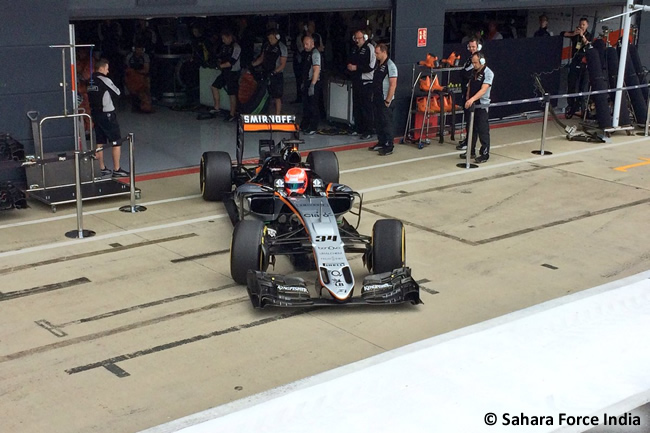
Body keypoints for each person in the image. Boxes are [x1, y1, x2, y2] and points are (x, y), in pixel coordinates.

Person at [87, 58, 129, 178]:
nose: (108, 70)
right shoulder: (104, 80)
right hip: (108, 114)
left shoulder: (89, 81)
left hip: (95, 114)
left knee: (100, 142)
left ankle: (101, 168)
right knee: (117, 141)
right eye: (107, 68)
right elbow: (118, 93)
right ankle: (117, 169)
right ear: (102, 68)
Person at [460, 52, 494, 164]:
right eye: (473, 62)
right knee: (471, 129)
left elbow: (483, 89)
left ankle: (484, 153)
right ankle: (471, 151)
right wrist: (467, 98)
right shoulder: (474, 72)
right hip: (472, 104)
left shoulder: (488, 73)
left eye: (476, 62)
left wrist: (472, 99)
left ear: (482, 61)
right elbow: (470, 85)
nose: (474, 65)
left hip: (481, 105)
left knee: (483, 130)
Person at [369, 43, 397, 156]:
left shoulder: (390, 65)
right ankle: (381, 142)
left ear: (384, 52)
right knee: (378, 122)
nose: (375, 55)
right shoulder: (378, 64)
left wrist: (388, 100)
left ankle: (389, 146)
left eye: (377, 53)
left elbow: (393, 84)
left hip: (385, 99)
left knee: (387, 123)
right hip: (377, 98)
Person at [347, 29, 376, 140]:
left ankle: (369, 130)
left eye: (359, 38)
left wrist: (356, 68)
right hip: (356, 81)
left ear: (365, 37)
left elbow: (371, 66)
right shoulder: (355, 49)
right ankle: (358, 127)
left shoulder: (370, 48)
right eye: (356, 38)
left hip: (367, 82)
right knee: (357, 105)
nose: (357, 40)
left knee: (366, 107)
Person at [251, 29, 288, 115]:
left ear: (277, 37)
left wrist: (274, 72)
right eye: (269, 38)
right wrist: (252, 65)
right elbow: (261, 58)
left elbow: (283, 64)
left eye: (272, 38)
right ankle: (266, 112)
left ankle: (277, 114)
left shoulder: (282, 47)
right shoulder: (266, 45)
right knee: (265, 94)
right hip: (265, 72)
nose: (270, 40)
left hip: (276, 75)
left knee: (277, 96)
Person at [562, 17, 592, 118]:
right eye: (580, 25)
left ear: (587, 25)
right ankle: (571, 105)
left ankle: (581, 107)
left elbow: (588, 44)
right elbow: (563, 33)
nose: (581, 27)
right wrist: (574, 34)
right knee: (571, 83)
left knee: (582, 85)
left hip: (584, 64)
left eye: (583, 25)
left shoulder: (588, 35)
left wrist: (582, 35)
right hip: (574, 62)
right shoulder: (575, 33)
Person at [210, 29, 241, 122]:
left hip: (233, 72)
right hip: (225, 71)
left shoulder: (236, 47)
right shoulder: (224, 46)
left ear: (229, 37)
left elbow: (232, 62)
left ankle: (232, 113)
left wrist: (219, 66)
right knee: (214, 86)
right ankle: (217, 108)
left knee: (232, 93)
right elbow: (220, 56)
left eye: (224, 38)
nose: (223, 40)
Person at [456, 38, 482, 150]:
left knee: (472, 120)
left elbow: (466, 73)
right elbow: (462, 73)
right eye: (470, 47)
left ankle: (470, 142)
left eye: (474, 47)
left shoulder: (478, 61)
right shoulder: (469, 59)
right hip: (465, 91)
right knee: (468, 119)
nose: (471, 49)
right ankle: (468, 139)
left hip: (473, 94)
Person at [300, 35, 321, 135]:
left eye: (307, 44)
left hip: (314, 82)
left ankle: (313, 126)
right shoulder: (307, 54)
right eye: (304, 44)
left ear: (312, 44)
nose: (305, 46)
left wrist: (312, 84)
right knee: (306, 105)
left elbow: (316, 69)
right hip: (307, 81)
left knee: (313, 105)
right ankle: (305, 124)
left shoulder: (315, 53)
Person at [124, 43, 153, 113]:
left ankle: (147, 106)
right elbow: (126, 68)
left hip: (143, 76)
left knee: (145, 91)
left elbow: (146, 70)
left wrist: (136, 72)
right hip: (132, 77)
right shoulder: (129, 56)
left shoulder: (145, 56)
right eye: (137, 50)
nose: (139, 52)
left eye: (141, 50)